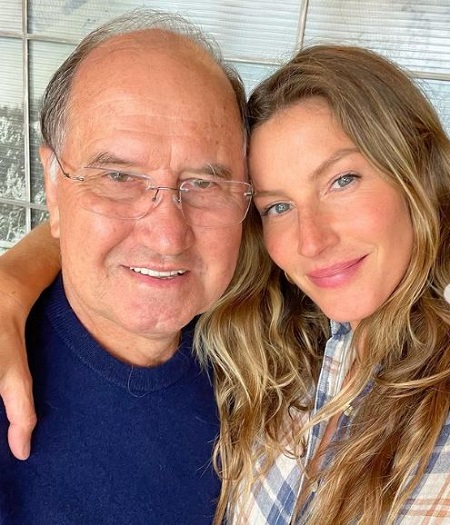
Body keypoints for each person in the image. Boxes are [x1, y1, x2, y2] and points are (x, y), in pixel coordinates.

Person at [1, 43, 450, 524]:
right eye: (278, 206)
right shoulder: (266, 339)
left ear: (417, 171)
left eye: (342, 180)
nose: (168, 238)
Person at [0, 8, 262, 524]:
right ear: (53, 184)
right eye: (119, 177)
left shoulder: (275, 339)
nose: (168, 237)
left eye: (204, 184)